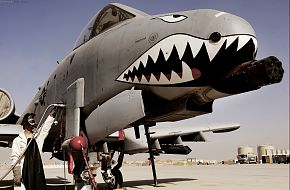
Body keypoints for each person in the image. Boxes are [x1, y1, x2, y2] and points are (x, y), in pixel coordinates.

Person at [11, 108, 60, 190]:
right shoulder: (18, 140)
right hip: (24, 171)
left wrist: (52, 115)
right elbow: (15, 157)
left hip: (37, 170)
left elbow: (45, 128)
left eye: (34, 121)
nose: (34, 123)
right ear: (25, 123)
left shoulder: (38, 137)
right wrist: (16, 173)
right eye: (31, 121)